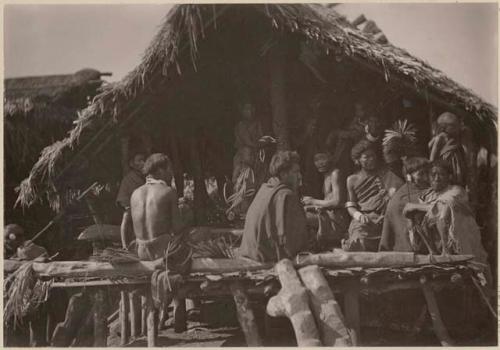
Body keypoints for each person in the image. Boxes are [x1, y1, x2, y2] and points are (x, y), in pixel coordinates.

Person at [403, 160, 488, 266]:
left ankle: (446, 251)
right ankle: (433, 252)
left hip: (461, 240)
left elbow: (442, 206)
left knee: (444, 209)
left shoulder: (457, 190)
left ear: (450, 176)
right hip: (436, 241)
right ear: (428, 177)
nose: (437, 178)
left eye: (441, 174)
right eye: (433, 174)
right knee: (416, 214)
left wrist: (414, 206)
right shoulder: (428, 195)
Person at [238, 151, 309, 262]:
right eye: (296, 172)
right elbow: (293, 244)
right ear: (283, 174)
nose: (300, 176)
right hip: (264, 256)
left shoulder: (266, 188)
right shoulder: (286, 195)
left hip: (249, 251)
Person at [343, 140, 404, 251]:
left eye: (373, 156)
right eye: (366, 157)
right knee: (360, 239)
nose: (371, 159)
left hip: (385, 218)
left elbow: (401, 191)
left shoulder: (386, 174)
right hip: (365, 220)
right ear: (358, 160)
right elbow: (350, 205)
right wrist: (359, 216)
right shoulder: (352, 179)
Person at [130, 153, 184, 261]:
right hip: (161, 251)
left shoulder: (135, 193)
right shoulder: (168, 192)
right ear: (160, 170)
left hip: (142, 252)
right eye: (169, 169)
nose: (172, 173)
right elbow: (177, 229)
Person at [379, 157, 431, 252]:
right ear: (409, 177)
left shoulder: (426, 189)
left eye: (428, 173)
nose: (426, 177)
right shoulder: (401, 197)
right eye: (421, 174)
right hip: (408, 245)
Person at [302, 152, 349, 246]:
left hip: (336, 221)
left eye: (322, 158)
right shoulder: (326, 175)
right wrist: (311, 205)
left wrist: (313, 201)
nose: (320, 163)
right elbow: (327, 202)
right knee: (302, 211)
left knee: (302, 217)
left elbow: (337, 202)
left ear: (331, 157)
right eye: (316, 160)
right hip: (328, 215)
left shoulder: (335, 173)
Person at [116, 151, 146, 249]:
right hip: (129, 203)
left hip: (142, 205)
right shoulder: (128, 178)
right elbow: (123, 196)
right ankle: (124, 245)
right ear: (132, 164)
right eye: (139, 160)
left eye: (143, 160)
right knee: (127, 215)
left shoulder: (145, 177)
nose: (143, 163)